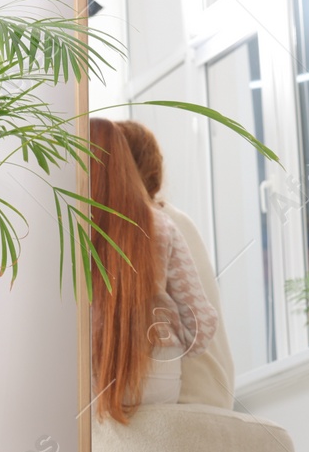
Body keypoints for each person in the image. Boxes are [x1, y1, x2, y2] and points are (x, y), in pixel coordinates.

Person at [88, 117, 219, 422]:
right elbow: (202, 324)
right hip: (158, 377)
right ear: (123, 162)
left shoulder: (72, 226)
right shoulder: (162, 224)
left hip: (95, 377)